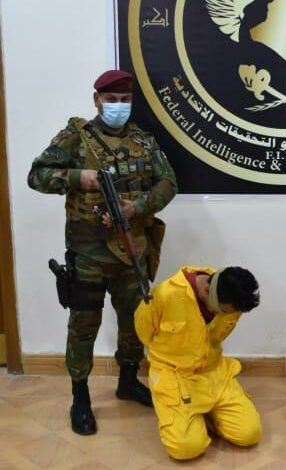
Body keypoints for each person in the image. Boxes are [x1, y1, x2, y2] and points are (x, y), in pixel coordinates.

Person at [27, 70, 178, 435]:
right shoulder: (76, 138)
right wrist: (78, 178)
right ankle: (80, 397)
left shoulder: (143, 140)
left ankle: (128, 380)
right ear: (97, 100)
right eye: (111, 100)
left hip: (131, 250)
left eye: (125, 100)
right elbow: (37, 176)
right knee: (83, 326)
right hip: (89, 254)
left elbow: (168, 182)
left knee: (134, 322)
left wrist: (137, 206)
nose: (118, 106)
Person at [134, 265, 262, 460]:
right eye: (226, 310)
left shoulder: (231, 298)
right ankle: (189, 415)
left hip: (214, 374)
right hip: (176, 376)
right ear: (208, 291)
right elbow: (144, 334)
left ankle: (203, 415)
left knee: (250, 433)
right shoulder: (163, 296)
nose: (232, 314)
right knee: (186, 448)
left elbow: (217, 335)